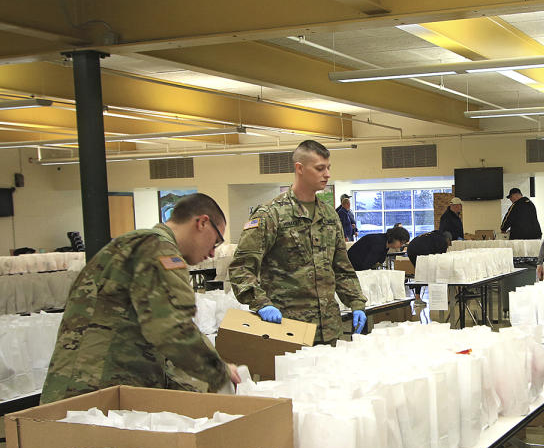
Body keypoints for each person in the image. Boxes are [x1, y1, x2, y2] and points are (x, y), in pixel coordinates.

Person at [41, 193, 240, 403]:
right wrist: (219, 371)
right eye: (215, 241)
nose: (211, 253)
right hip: (98, 395)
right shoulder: (159, 250)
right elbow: (172, 329)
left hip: (77, 390)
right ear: (202, 223)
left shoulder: (131, 244)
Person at [229, 140, 367, 344]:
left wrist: (356, 302)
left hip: (329, 328)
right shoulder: (271, 214)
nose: (327, 174)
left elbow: (341, 267)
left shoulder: (329, 214)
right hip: (287, 328)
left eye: (328, 168)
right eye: (320, 168)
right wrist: (261, 303)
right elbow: (241, 267)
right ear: (300, 169)